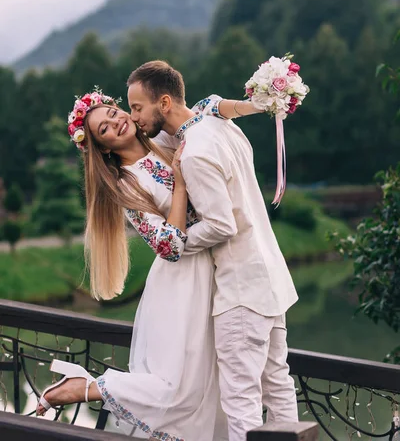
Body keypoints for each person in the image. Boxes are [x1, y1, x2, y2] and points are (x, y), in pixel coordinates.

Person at [36, 89, 258, 440]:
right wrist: (181, 184)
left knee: (216, 386)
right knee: (178, 391)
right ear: (104, 147)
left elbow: (199, 109)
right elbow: (167, 246)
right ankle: (86, 388)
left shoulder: (164, 139)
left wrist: (256, 102)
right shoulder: (126, 184)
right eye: (104, 129)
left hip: (214, 274)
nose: (116, 121)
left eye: (113, 111)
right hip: (180, 285)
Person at [127, 61, 299, 441]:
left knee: (241, 402)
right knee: (278, 387)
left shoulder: (194, 153)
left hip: (240, 291)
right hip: (269, 279)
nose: (133, 117)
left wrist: (177, 243)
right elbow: (213, 105)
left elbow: (222, 225)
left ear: (165, 103)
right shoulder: (219, 126)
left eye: (137, 107)